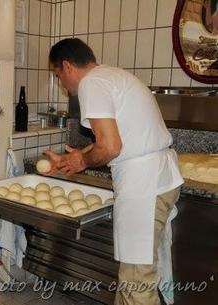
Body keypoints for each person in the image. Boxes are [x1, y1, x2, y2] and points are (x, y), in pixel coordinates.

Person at [44, 38, 184, 305]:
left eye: (58, 75)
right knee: (133, 275)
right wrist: (74, 157)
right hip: (158, 177)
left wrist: (82, 163)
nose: (62, 84)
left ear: (67, 66)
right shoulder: (112, 76)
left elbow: (110, 147)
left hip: (144, 186)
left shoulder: (91, 83)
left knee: (137, 282)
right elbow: (116, 138)